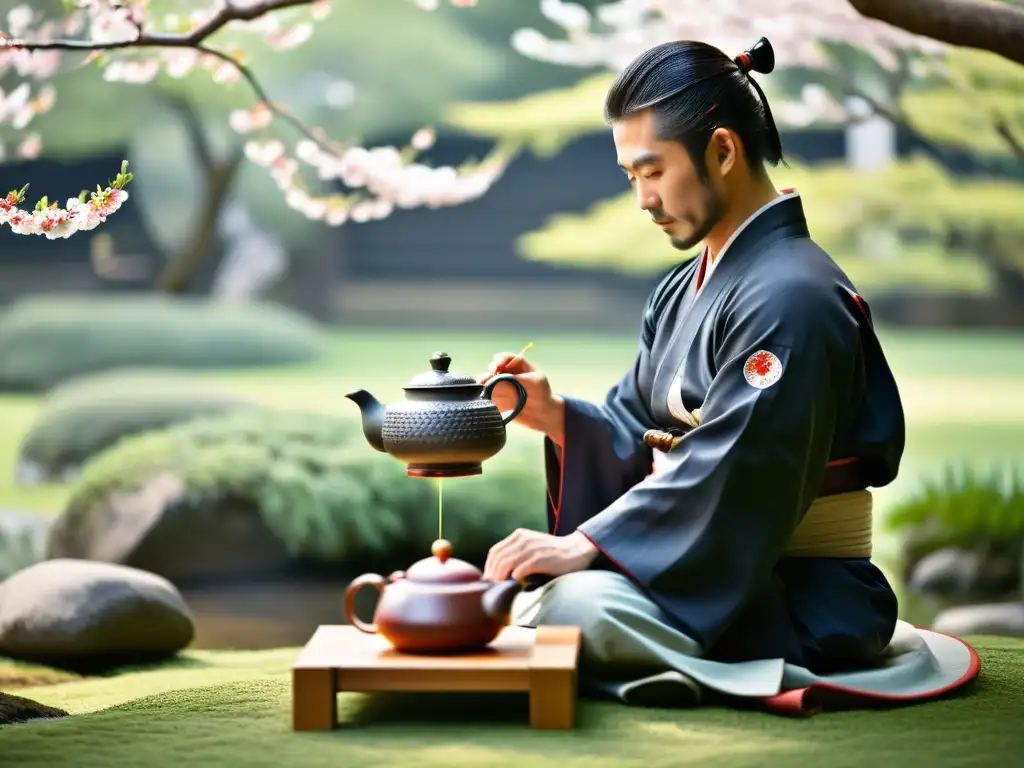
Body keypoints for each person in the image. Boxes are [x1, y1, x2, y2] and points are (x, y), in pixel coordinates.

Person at [479, 36, 909, 707]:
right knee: (557, 598)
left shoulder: (795, 298)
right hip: (710, 572)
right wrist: (559, 418)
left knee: (575, 607)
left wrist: (589, 543)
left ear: (723, 150)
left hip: (798, 596)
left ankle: (722, 675)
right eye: (631, 178)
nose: (643, 200)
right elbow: (638, 424)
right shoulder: (683, 288)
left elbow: (744, 468)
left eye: (652, 172)